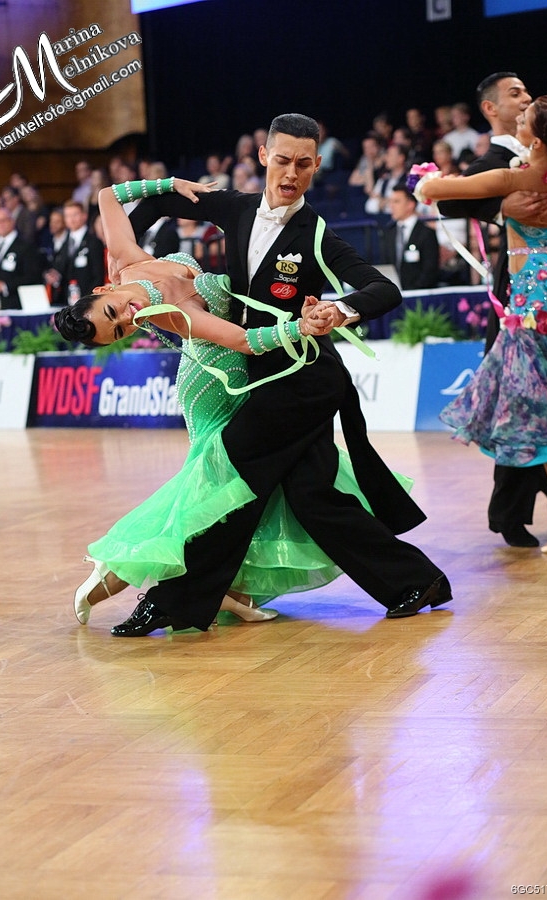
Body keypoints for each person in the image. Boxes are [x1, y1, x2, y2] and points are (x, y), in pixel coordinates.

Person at [108, 112, 451, 636]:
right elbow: (151, 205)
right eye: (283, 160)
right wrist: (131, 253)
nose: (292, 173)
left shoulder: (317, 234)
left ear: (316, 165)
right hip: (262, 375)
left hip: (304, 379)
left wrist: (338, 310)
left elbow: (384, 289)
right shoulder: (235, 206)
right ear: (264, 156)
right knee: (311, 494)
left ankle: (176, 600)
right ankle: (415, 580)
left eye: (304, 164)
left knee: (232, 476)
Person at [54, 175, 350, 625]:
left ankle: (226, 589)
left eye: (113, 314)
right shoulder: (171, 314)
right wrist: (300, 328)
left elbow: (106, 195)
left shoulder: (127, 262)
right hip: (215, 385)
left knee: (241, 490)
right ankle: (115, 570)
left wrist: (170, 183)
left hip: (229, 378)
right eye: (120, 332)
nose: (129, 321)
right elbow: (243, 341)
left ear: (103, 290)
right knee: (212, 492)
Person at [413, 94, 547, 553]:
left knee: (541, 416)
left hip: (534, 304)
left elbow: (437, 192)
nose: (519, 117)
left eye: (525, 119)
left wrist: (426, 179)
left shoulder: (513, 178)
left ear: (535, 140)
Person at [45, 200, 106, 306]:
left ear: (84, 216)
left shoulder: (94, 242)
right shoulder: (63, 244)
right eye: (68, 216)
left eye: (75, 215)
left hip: (87, 301)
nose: (71, 219)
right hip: (67, 302)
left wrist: (89, 301)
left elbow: (98, 275)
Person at [380, 184, 439, 290]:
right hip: (394, 294)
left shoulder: (426, 233)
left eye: (396, 201)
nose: (391, 206)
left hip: (419, 293)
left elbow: (430, 270)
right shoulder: (389, 232)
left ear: (410, 205)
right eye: (390, 202)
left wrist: (412, 291)